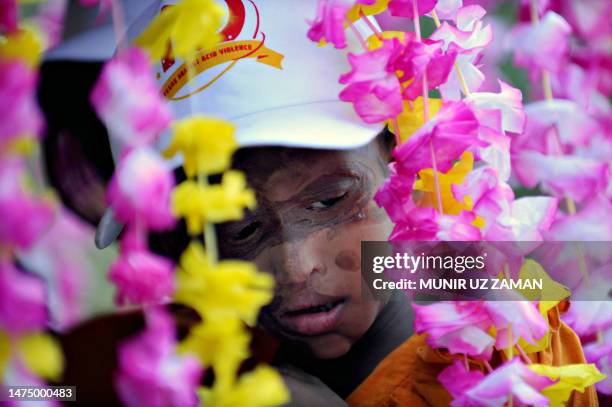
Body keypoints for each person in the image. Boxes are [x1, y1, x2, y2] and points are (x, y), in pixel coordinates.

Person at [46, 1, 597, 405]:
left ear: (401, 155)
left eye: (331, 200)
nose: (296, 264)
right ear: (180, 240)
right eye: (238, 231)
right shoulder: (182, 353)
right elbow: (40, 387)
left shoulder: (515, 330)